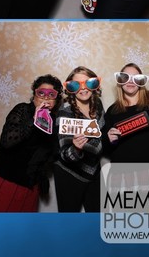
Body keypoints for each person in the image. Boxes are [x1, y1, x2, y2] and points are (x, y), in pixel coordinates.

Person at [0, 74, 62, 212]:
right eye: (41, 93)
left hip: (30, 184)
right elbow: (7, 142)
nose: (45, 97)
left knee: (24, 223)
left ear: (56, 99)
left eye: (51, 94)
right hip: (7, 178)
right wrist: (34, 119)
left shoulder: (54, 121)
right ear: (34, 95)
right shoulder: (22, 109)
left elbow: (53, 154)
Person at [103, 63, 149, 174]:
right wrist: (109, 139)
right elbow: (106, 149)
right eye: (125, 77)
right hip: (124, 174)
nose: (130, 81)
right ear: (120, 80)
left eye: (136, 78)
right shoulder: (112, 111)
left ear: (141, 81)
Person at [54, 66, 104, 212]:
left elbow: (101, 135)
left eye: (88, 83)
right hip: (69, 174)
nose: (83, 88)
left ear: (95, 84)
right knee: (69, 220)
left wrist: (112, 136)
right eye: (76, 85)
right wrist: (75, 148)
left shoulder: (97, 105)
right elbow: (64, 154)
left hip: (94, 170)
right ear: (70, 88)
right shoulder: (65, 111)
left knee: (98, 218)